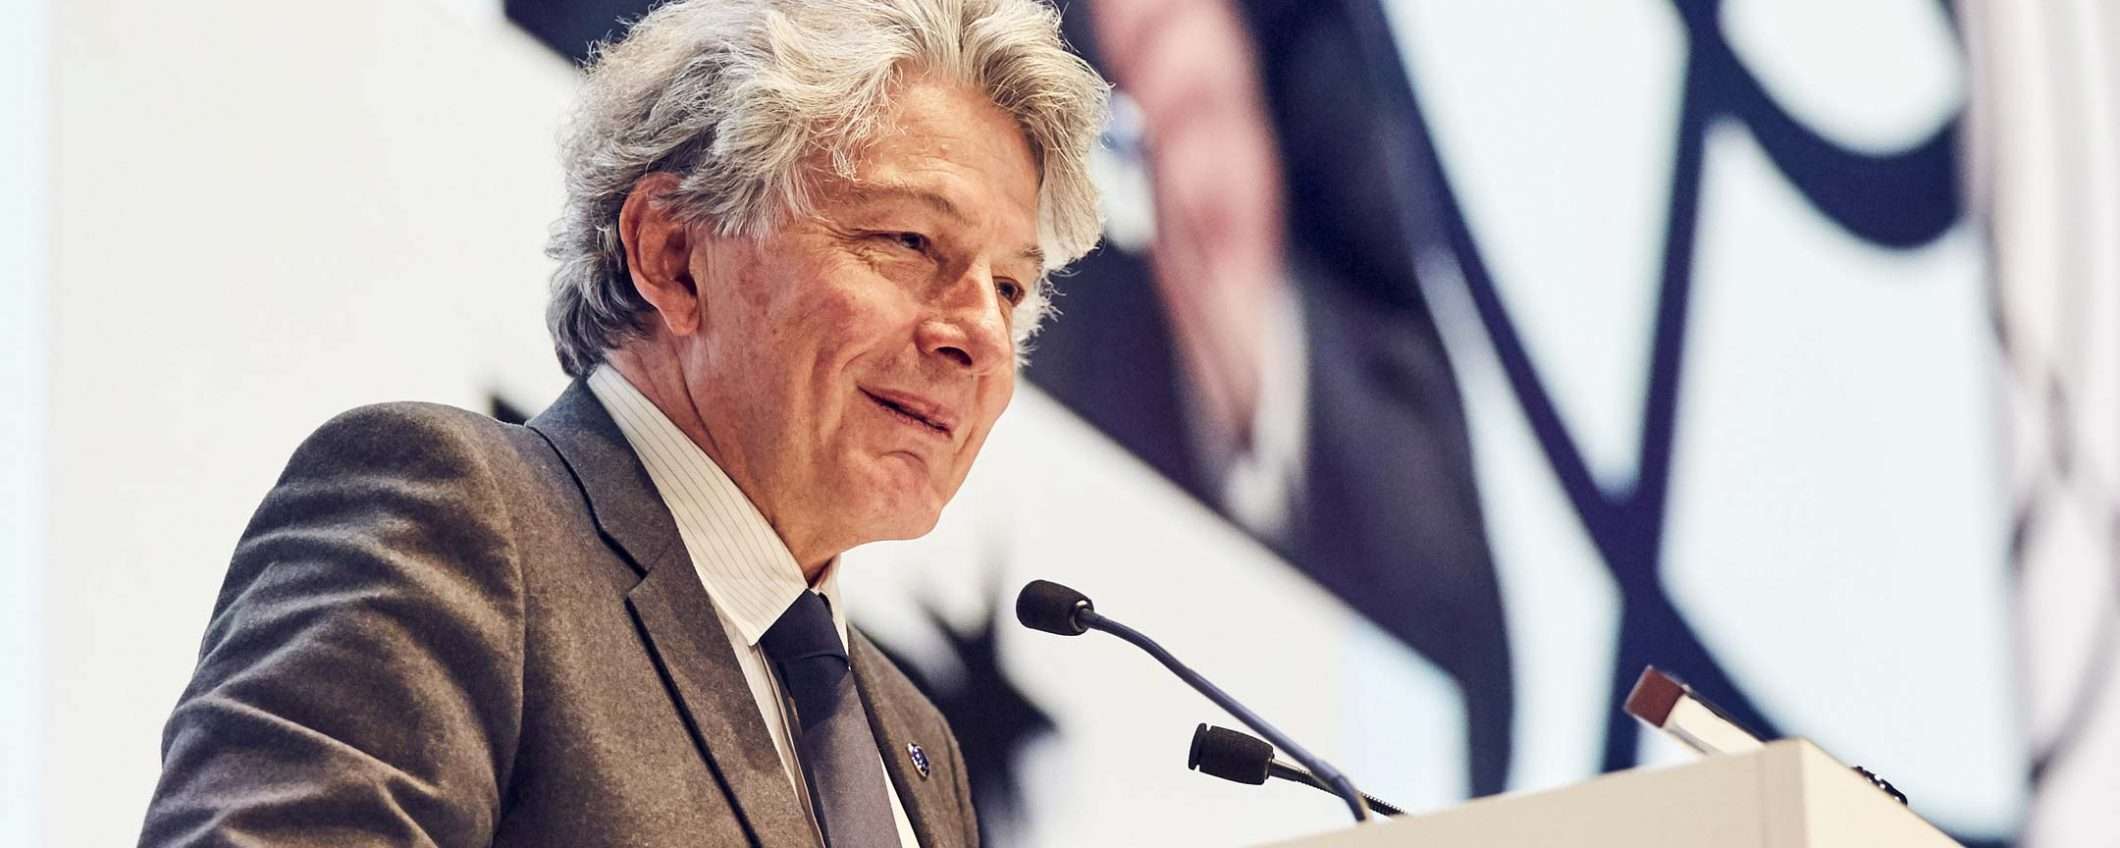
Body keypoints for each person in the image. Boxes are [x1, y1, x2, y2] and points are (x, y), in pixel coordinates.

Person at [136, 0, 1107, 844]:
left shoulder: (915, 740)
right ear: (673, 253)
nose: (982, 335)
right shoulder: (456, 516)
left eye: (1009, 287)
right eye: (908, 240)